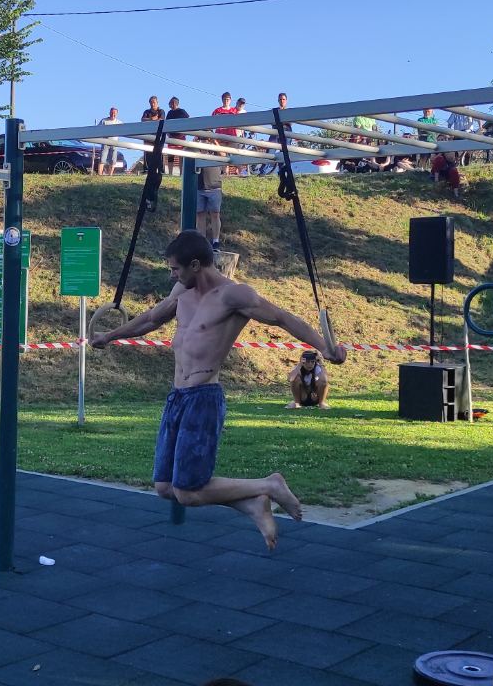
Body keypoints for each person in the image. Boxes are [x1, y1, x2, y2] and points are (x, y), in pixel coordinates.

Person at [89, 231, 347, 549]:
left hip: (202, 398)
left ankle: (270, 485)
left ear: (195, 265)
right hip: (177, 397)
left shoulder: (233, 296)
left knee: (188, 491)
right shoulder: (181, 291)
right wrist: (109, 335)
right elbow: (151, 320)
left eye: (175, 269)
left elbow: (283, 318)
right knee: (166, 487)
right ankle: (254, 502)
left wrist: (326, 348)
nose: (172, 274)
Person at [197, 163, 224, 252]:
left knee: (215, 214)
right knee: (200, 214)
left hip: (214, 186)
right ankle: (202, 242)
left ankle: (215, 241)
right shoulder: (197, 150)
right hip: (198, 186)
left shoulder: (216, 151)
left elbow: (224, 155)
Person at [165, 97, 190, 175]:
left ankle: (181, 173)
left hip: (180, 137)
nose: (171, 105)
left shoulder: (182, 112)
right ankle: (170, 173)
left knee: (181, 155)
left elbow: (188, 122)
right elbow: (166, 124)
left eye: (171, 103)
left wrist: (184, 133)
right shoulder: (169, 113)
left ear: (175, 103)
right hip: (171, 137)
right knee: (170, 155)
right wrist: (168, 134)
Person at [96, 107, 122, 175]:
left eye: (114, 113)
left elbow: (123, 131)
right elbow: (98, 129)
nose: (113, 114)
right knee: (102, 159)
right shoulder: (104, 120)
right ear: (109, 113)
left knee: (113, 160)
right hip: (105, 142)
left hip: (115, 143)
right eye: (112, 112)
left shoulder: (119, 122)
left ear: (117, 114)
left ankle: (110, 175)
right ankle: (100, 174)